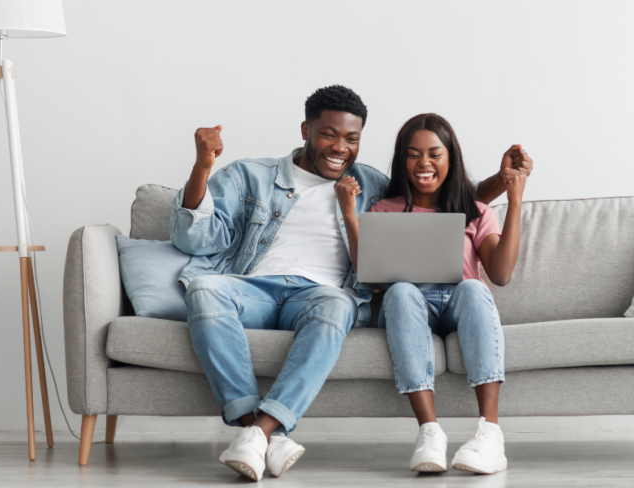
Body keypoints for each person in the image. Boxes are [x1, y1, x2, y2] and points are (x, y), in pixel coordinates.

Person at [172, 86, 527, 481]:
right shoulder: (250, 175)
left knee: (341, 304)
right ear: (306, 129)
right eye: (328, 134)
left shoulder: (368, 183)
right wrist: (202, 166)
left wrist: (506, 181)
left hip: (322, 296)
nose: (340, 147)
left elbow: (445, 196)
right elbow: (194, 239)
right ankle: (260, 431)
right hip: (256, 287)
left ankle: (260, 435)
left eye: (352, 139)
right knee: (203, 288)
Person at [335, 113, 530, 475]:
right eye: (413, 154)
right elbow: (373, 281)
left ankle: (490, 433)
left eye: (434, 154)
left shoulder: (475, 211)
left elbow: (500, 275)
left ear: (450, 159)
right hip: (411, 307)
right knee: (400, 291)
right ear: (402, 161)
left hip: (461, 305)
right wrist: (350, 213)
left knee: (473, 287)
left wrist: (515, 201)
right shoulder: (384, 210)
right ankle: (429, 431)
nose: (423, 163)